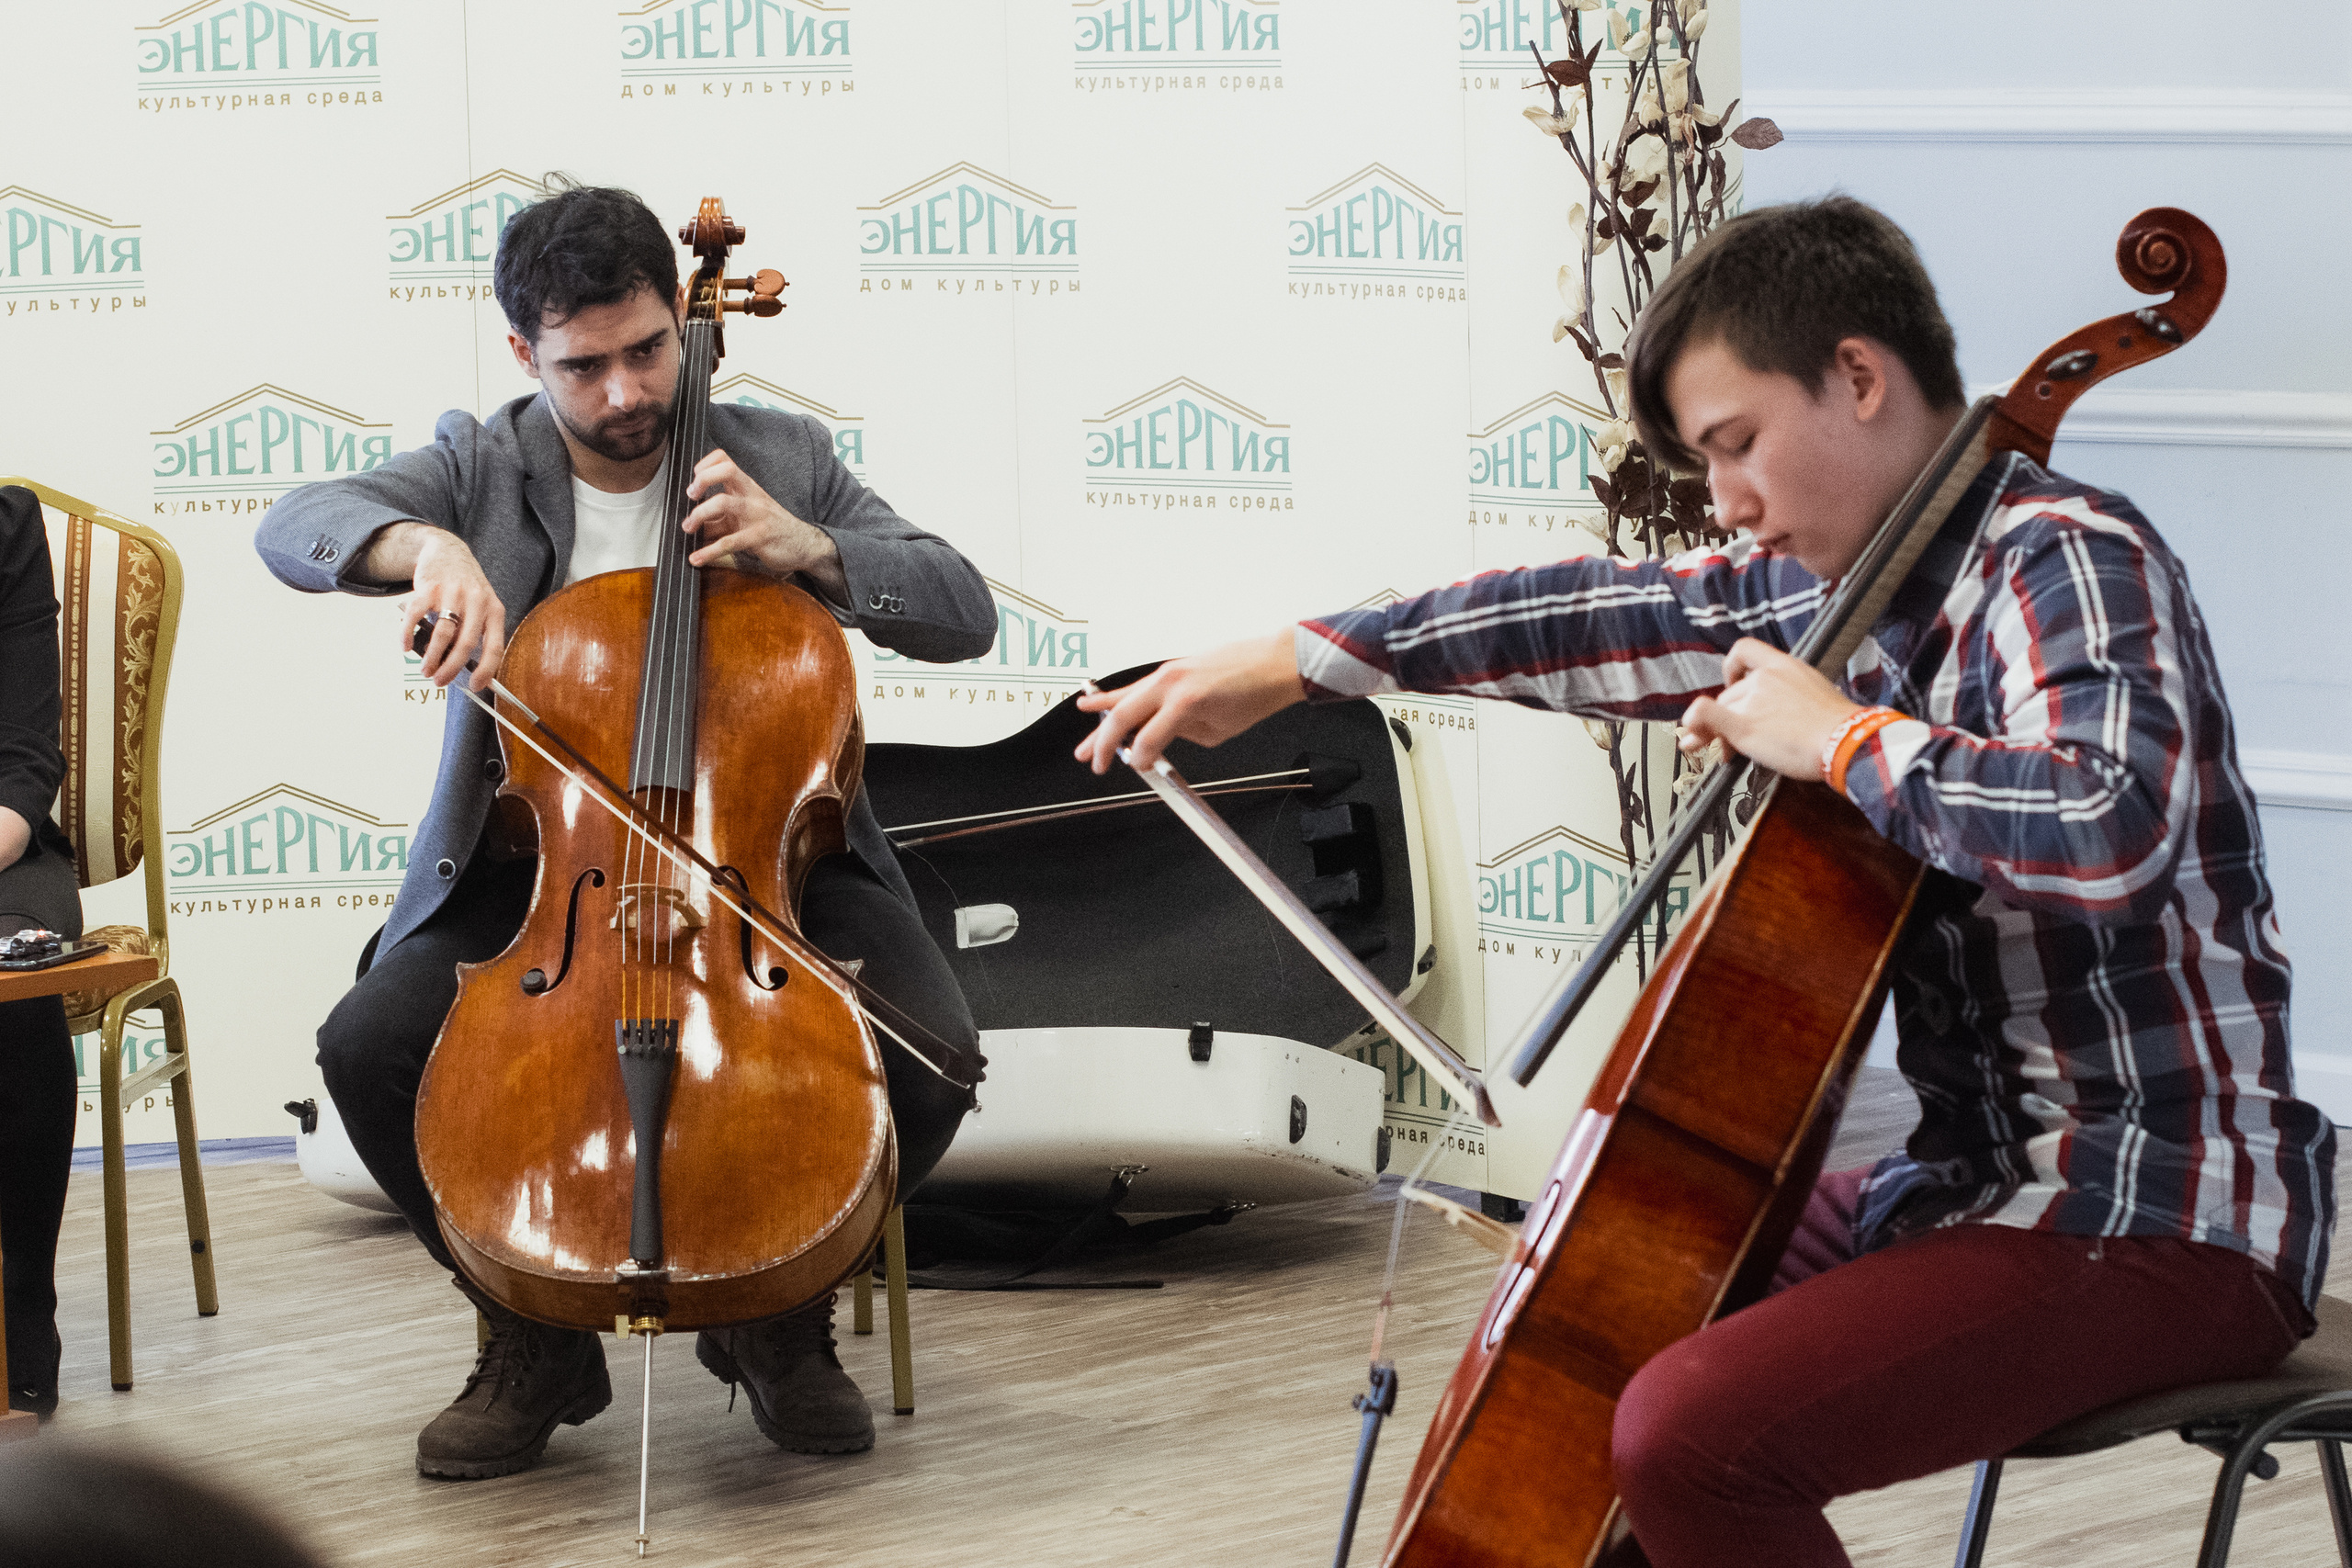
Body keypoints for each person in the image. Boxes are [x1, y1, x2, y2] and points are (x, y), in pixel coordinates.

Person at [1073, 197, 2336, 1567]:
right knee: (1598, 1337)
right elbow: (1588, 613)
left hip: (2163, 1207)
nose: (1725, 498)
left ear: (1858, 377)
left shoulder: (2070, 560)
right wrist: (1291, 659)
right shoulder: (1834, 591)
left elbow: (2113, 819)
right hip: (1970, 1183)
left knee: (1690, 1433)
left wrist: (1843, 737)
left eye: (1737, 444)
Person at [256, 179, 994, 1481]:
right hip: (541, 874)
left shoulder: (780, 454)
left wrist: (812, 548)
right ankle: (531, 1327)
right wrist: (419, 545)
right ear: (524, 356)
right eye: (580, 365)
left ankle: (777, 1313)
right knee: (367, 1046)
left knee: (933, 1057)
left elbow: (960, 605)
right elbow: (293, 525)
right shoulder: (481, 461)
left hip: (767, 868)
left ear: (684, 322)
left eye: (648, 349)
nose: (620, 395)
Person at [0, 484, 83, 1418]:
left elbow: (23, 752)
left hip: (2, 844)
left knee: (16, 987)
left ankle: (21, 1302)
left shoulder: (5, 524)